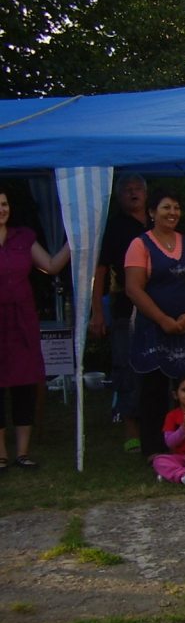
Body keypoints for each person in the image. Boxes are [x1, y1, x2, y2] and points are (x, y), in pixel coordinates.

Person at [124, 187, 185, 461]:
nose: (172, 213)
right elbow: (133, 288)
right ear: (152, 212)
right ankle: (154, 449)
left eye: (176, 207)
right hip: (154, 328)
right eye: (166, 207)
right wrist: (163, 320)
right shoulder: (140, 245)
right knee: (153, 389)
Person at [0, 186, 70, 471]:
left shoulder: (23, 237)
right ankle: (1, 453)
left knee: (24, 384)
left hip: (21, 323)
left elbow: (51, 266)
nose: (1, 209)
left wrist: (76, 241)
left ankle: (22, 452)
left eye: (4, 204)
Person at [90, 173, 148, 452]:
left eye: (138, 189)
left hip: (159, 306)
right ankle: (131, 430)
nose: (133, 193)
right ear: (119, 196)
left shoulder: (157, 222)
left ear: (146, 194)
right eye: (127, 189)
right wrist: (97, 312)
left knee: (156, 366)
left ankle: (158, 425)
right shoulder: (114, 227)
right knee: (126, 366)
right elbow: (100, 270)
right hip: (124, 307)